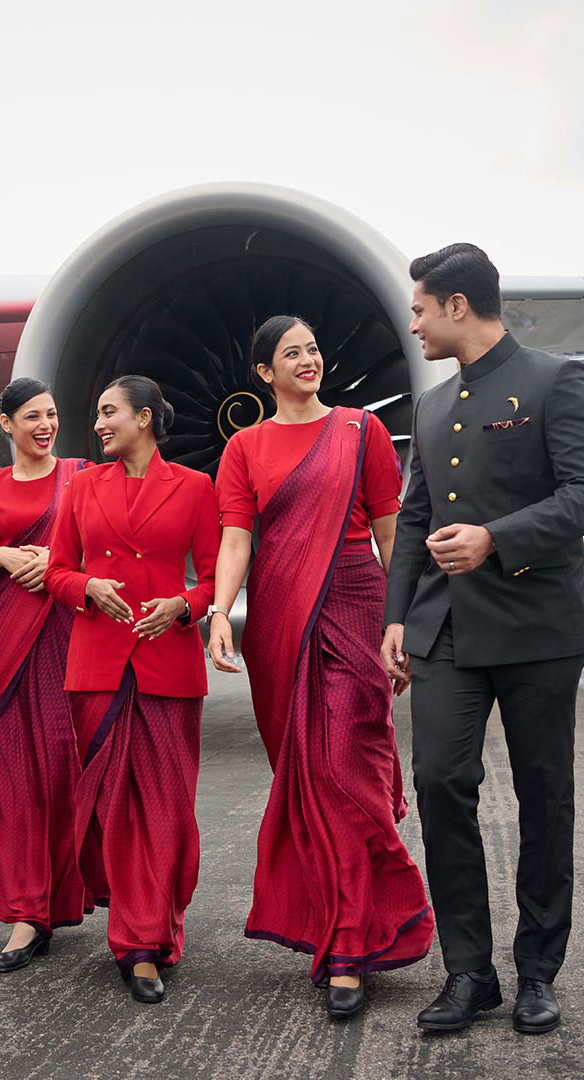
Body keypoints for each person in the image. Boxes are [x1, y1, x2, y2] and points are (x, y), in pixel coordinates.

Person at [380, 243, 584, 1035]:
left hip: (538, 627)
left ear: (455, 305)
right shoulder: (430, 406)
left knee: (544, 794)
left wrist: (496, 538)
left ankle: (537, 972)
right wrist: (395, 617)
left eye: (419, 308)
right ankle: (469, 972)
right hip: (447, 626)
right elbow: (415, 519)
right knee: (442, 783)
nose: (411, 324)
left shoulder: (557, 380)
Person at [206, 316, 433, 1020]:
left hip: (356, 604)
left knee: (345, 770)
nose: (309, 359)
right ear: (264, 374)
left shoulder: (361, 432)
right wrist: (219, 611)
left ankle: (349, 946)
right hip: (280, 619)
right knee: (307, 777)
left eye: (312, 348)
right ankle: (344, 930)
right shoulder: (244, 448)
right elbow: (237, 539)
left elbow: (392, 531)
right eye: (291, 353)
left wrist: (407, 622)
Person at [43, 375, 219, 1006]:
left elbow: (214, 581)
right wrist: (87, 588)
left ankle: (157, 925)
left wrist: (184, 604)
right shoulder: (83, 485)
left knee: (168, 806)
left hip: (168, 664)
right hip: (98, 665)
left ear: (145, 417)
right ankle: (137, 940)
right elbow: (58, 569)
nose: (98, 424)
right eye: (97, 414)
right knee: (111, 807)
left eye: (108, 413)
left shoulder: (196, 487)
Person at [0, 378, 90, 973]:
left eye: (52, 415)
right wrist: (3, 557)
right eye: (31, 416)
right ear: (5, 425)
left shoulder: (83, 475)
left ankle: (58, 897)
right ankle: (25, 913)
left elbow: (107, 542)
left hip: (66, 636)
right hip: (0, 644)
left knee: (62, 770)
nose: (45, 425)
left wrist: (59, 564)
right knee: (8, 779)